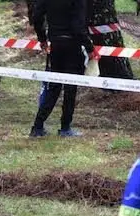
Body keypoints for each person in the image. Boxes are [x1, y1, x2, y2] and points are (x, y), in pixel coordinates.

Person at [28, 0, 93, 138]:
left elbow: (37, 16)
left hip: (56, 43)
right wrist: (89, 47)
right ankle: (65, 127)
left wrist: (42, 38)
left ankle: (38, 126)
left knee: (53, 86)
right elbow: (78, 26)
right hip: (73, 45)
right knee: (70, 88)